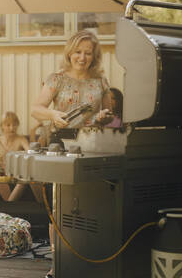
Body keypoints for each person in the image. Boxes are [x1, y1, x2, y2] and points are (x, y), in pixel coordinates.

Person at [31, 30, 113, 278]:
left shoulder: (101, 82)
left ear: (94, 56)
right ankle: (58, 265)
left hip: (91, 146)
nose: (82, 57)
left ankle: (87, 261)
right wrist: (53, 115)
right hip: (60, 145)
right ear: (69, 53)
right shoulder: (56, 79)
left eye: (88, 53)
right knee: (58, 207)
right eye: (78, 51)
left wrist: (103, 117)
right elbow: (36, 109)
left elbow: (113, 118)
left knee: (88, 205)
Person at [0, 112, 42, 202]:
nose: (12, 128)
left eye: (14, 125)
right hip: (4, 174)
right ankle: (9, 203)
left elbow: (32, 154)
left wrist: (33, 132)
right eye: (8, 125)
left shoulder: (21, 139)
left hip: (18, 173)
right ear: (2, 126)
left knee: (25, 178)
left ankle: (9, 203)